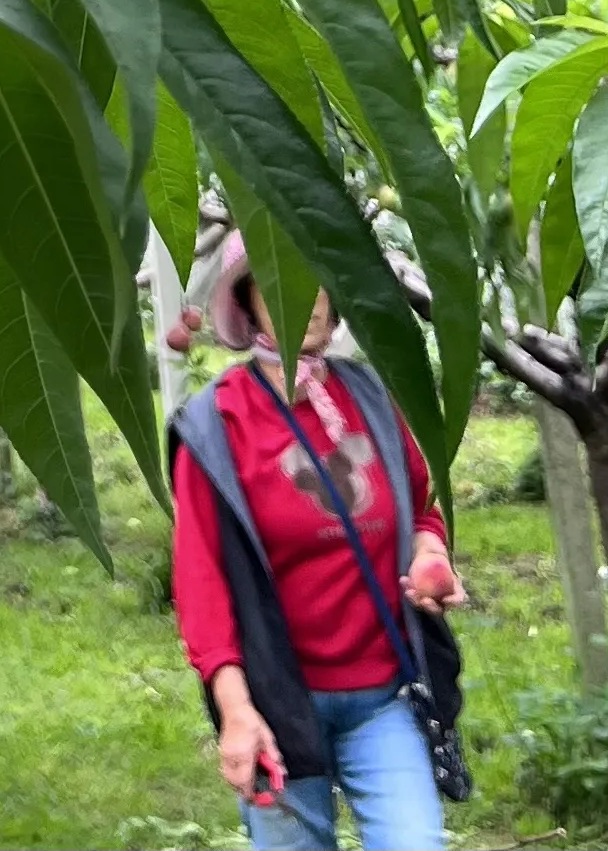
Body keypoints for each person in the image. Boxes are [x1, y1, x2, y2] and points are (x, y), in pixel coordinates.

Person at [168, 234, 465, 849]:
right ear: (249, 304)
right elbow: (201, 583)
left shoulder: (374, 399)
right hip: (279, 707)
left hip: (384, 698)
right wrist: (236, 711)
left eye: (319, 280)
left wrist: (430, 554)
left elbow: (419, 509)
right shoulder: (217, 425)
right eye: (280, 282)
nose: (308, 299)